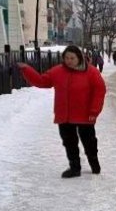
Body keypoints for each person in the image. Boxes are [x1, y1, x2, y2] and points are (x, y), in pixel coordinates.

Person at [19, 45, 106, 178]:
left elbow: (99, 91)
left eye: (72, 58)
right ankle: (74, 167)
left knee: (89, 141)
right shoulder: (57, 71)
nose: (69, 61)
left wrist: (94, 111)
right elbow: (42, 81)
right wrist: (26, 69)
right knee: (69, 142)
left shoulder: (91, 72)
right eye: (66, 58)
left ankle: (94, 164)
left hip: (85, 115)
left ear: (79, 58)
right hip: (64, 115)